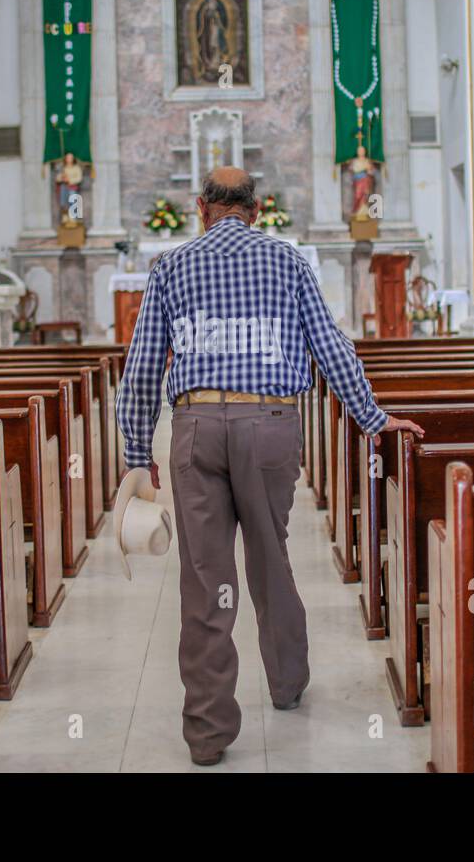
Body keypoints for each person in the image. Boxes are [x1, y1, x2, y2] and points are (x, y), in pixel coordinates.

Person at [116, 166, 423, 766]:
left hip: (197, 427)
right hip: (269, 427)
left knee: (205, 578)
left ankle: (206, 733)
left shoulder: (171, 267)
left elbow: (143, 366)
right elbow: (331, 345)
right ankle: (285, 684)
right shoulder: (289, 263)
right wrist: (372, 418)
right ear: (255, 210)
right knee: (269, 557)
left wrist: (135, 454)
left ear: (201, 209)